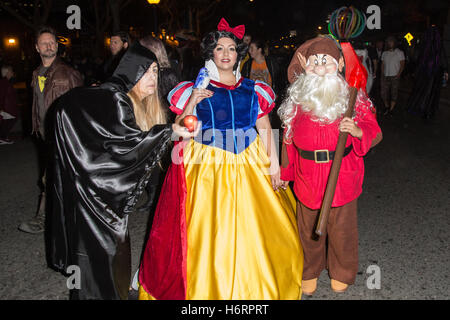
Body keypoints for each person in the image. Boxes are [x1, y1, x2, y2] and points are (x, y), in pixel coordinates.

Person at [138, 18, 303, 300]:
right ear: (211, 54)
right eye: (219, 49)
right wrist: (192, 102)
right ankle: (209, 284)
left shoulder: (254, 89)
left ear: (238, 54)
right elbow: (182, 128)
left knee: (259, 227)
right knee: (208, 229)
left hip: (249, 160)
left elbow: (264, 127)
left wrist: (274, 164)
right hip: (207, 163)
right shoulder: (194, 88)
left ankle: (256, 284)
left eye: (230, 48)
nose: (225, 53)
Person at [48, 41, 197, 300]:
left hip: (96, 191)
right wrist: (169, 131)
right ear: (132, 71)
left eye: (155, 71)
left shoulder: (119, 97)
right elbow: (126, 146)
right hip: (95, 198)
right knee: (102, 254)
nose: (153, 77)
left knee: (108, 253)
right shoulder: (117, 99)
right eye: (147, 71)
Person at [279, 35, 382, 295]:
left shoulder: (351, 98)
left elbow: (374, 130)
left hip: (343, 177)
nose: (320, 67)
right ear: (306, 66)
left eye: (326, 61)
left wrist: (359, 131)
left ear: (337, 64)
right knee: (307, 231)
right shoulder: (297, 100)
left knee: (342, 232)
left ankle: (342, 271)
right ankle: (310, 270)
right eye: (314, 62)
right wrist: (284, 173)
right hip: (307, 177)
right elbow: (288, 141)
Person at [18, 26, 83, 234]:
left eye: (52, 42)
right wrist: (36, 127)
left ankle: (45, 219)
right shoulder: (36, 73)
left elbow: (80, 108)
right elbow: (38, 102)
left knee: (57, 177)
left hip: (64, 135)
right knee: (53, 177)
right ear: (37, 48)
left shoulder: (68, 73)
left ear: (57, 45)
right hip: (46, 135)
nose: (49, 45)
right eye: (44, 42)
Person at [407, 25, 449, 119]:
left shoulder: (425, 46)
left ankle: (420, 108)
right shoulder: (438, 47)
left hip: (425, 73)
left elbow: (417, 58)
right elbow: (443, 60)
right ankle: (428, 111)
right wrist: (445, 71)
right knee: (432, 94)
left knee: (422, 91)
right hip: (435, 74)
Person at [381, 36, 405, 115]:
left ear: (394, 43)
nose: (390, 43)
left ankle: (391, 109)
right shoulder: (384, 53)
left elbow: (402, 64)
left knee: (394, 93)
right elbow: (383, 64)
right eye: (388, 41)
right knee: (384, 93)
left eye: (391, 41)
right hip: (386, 75)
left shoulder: (399, 52)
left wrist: (398, 74)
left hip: (395, 76)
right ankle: (386, 106)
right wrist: (382, 73)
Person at [0, 65, 18, 144]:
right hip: (6, 107)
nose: (12, 72)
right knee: (10, 120)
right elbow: (2, 95)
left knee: (7, 121)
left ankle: (3, 137)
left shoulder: (6, 81)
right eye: (11, 71)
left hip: (7, 106)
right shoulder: (4, 82)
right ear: (7, 72)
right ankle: (2, 137)